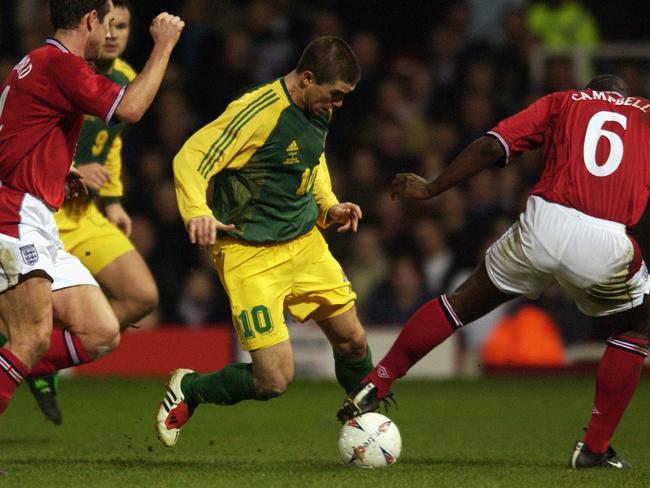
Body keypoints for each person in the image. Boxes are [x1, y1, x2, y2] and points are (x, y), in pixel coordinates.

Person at [337, 74, 650, 470]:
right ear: (625, 97)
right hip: (605, 239)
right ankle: (594, 448)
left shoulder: (564, 101)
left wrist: (434, 188)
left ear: (591, 91)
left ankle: (377, 379)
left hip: (544, 224)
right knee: (636, 327)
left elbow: (491, 146)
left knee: (461, 302)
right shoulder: (644, 115)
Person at [156, 36, 373, 447]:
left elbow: (312, 156)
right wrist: (197, 211)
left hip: (304, 242)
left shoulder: (316, 107)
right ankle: (191, 388)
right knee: (273, 379)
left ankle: (369, 424)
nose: (339, 105)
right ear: (308, 79)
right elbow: (190, 156)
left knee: (353, 339)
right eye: (336, 95)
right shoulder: (255, 113)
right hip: (249, 255)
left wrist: (328, 204)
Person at [0, 0, 183, 416]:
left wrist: (56, 169)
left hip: (38, 212)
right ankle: (16, 361)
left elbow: (17, 133)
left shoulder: (36, 61)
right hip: (14, 212)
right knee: (30, 337)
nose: (111, 33)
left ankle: (14, 366)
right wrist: (164, 46)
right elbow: (131, 109)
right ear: (89, 21)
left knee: (100, 331)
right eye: (108, 23)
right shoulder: (62, 65)